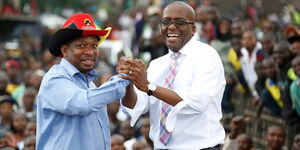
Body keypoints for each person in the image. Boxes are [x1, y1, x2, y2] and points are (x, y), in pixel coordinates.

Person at [117, 1, 225, 149]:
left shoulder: (206, 55)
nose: (172, 26)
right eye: (166, 21)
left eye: (179, 22)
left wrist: (149, 87)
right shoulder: (157, 65)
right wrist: (128, 80)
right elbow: (135, 106)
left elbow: (196, 103)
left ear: (193, 29)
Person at [36, 13, 130, 150]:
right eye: (81, 45)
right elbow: (83, 103)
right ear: (65, 51)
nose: (90, 51)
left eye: (94, 46)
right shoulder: (55, 79)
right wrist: (123, 79)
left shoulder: (91, 85)